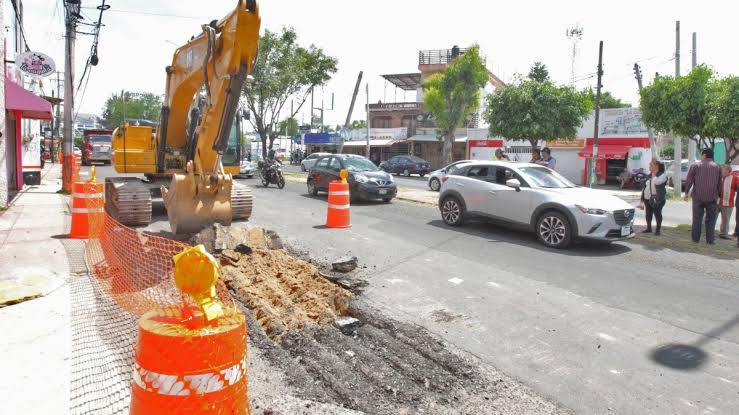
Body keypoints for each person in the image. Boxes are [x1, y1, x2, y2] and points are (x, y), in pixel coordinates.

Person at [684, 148, 722, 244]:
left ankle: (695, 239)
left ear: (704, 155)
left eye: (701, 154)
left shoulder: (696, 165)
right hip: (712, 197)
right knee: (711, 219)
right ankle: (710, 240)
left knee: (697, 218)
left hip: (698, 197)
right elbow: (719, 183)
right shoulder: (717, 166)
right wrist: (719, 195)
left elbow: (689, 180)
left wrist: (686, 193)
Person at [639, 159, 668, 236]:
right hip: (647, 198)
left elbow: (657, 182)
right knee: (648, 214)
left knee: (657, 214)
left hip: (657, 198)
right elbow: (644, 188)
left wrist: (654, 175)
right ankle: (649, 228)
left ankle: (658, 229)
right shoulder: (649, 175)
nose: (649, 166)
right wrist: (641, 201)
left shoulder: (662, 175)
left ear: (656, 166)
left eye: (651, 165)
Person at [718, 164, 738, 239]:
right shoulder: (719, 177)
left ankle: (724, 234)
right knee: (711, 217)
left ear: (728, 171)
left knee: (725, 220)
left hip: (728, 202)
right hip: (717, 201)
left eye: (723, 169)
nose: (721, 170)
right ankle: (708, 231)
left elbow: (737, 188)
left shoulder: (734, 178)